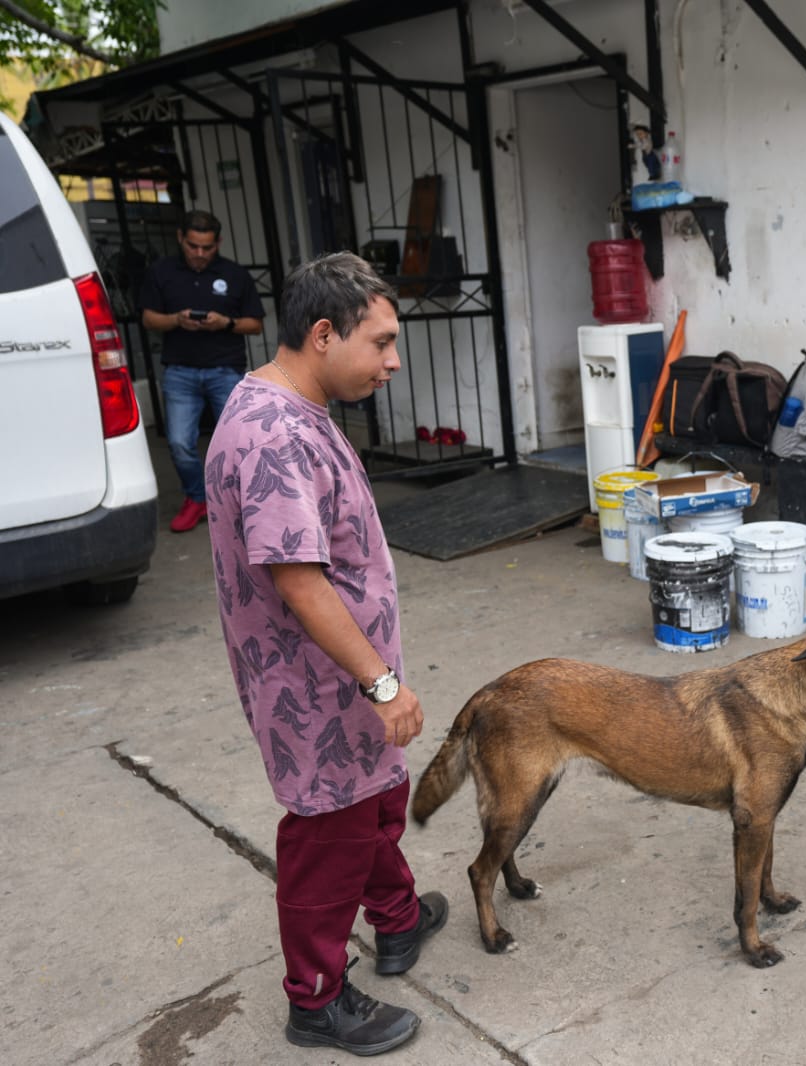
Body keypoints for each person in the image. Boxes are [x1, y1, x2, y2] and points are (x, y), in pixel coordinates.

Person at [205, 252, 445, 1056]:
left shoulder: (290, 406)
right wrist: (380, 683)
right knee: (328, 836)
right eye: (379, 343)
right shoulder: (271, 433)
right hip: (319, 686)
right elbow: (301, 584)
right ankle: (316, 998)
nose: (391, 361)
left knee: (371, 806)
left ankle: (400, 918)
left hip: (340, 681)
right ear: (320, 334)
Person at [140, 209, 265, 532]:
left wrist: (226, 323)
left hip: (225, 369)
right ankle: (197, 497)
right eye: (193, 246)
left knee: (238, 441)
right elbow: (149, 319)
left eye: (207, 247)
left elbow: (255, 325)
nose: (199, 254)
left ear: (218, 243)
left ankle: (243, 502)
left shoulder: (235, 274)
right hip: (180, 371)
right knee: (180, 443)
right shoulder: (162, 271)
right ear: (181, 238)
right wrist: (176, 320)